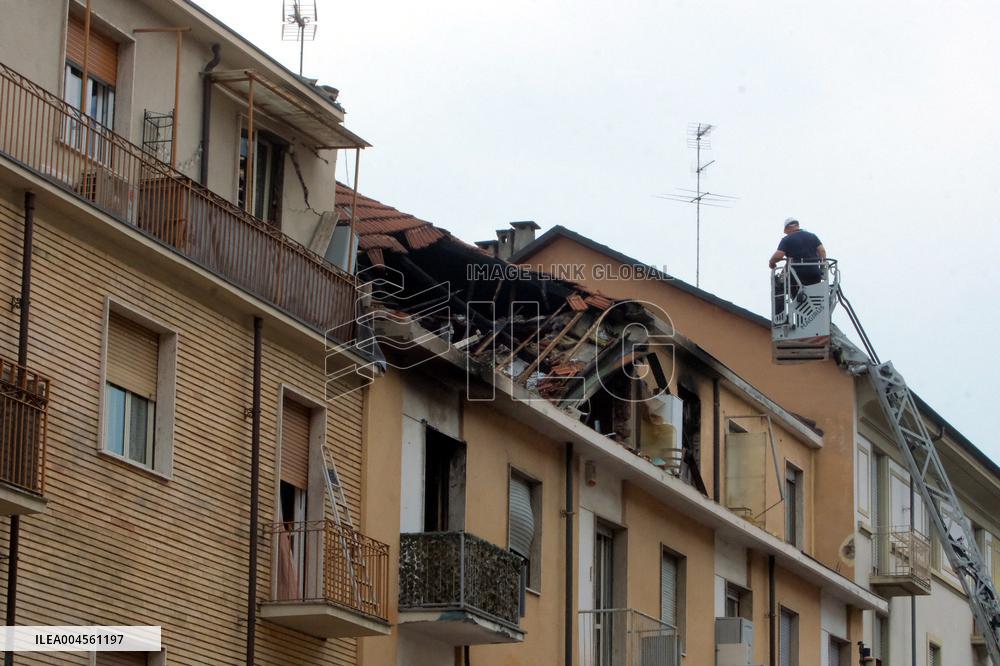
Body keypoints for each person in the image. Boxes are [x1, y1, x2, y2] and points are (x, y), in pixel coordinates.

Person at [768, 217, 826, 285]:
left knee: (780, 286)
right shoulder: (813, 236)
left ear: (787, 228)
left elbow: (778, 256)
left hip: (796, 276)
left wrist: (771, 263)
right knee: (815, 294)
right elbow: (822, 251)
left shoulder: (787, 239)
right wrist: (822, 268)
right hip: (814, 274)